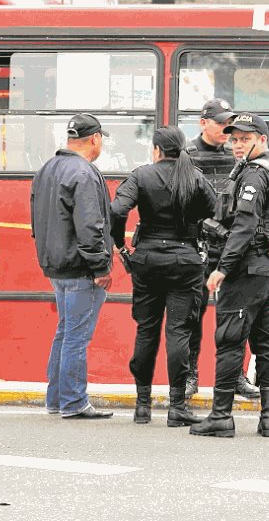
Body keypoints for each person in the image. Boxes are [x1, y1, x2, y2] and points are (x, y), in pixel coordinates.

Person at [189, 112, 269, 438]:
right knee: (266, 343)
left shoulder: (253, 176)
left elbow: (245, 227)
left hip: (247, 268)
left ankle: (221, 416)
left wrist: (222, 268)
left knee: (230, 341)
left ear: (261, 139)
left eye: (244, 139)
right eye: (233, 139)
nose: (236, 145)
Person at [111, 126, 216, 427]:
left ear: (156, 150)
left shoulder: (141, 175)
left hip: (146, 259)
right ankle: (176, 406)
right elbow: (217, 211)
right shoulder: (194, 176)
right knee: (179, 332)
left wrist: (121, 246)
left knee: (146, 331)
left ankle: (142, 405)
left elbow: (117, 211)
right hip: (185, 261)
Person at [31, 113, 116, 420]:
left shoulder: (46, 169)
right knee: (76, 336)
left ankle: (56, 399)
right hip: (81, 268)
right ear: (94, 139)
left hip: (55, 266)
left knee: (65, 332)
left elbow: (36, 221)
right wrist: (101, 267)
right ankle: (73, 402)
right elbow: (91, 225)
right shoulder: (85, 173)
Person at [185, 98, 260, 400]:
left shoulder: (238, 156)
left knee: (234, 316)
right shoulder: (187, 155)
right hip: (199, 247)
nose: (226, 130)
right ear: (203, 123)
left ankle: (236, 376)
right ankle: (190, 376)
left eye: (229, 124)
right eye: (220, 123)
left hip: (230, 246)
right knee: (192, 314)